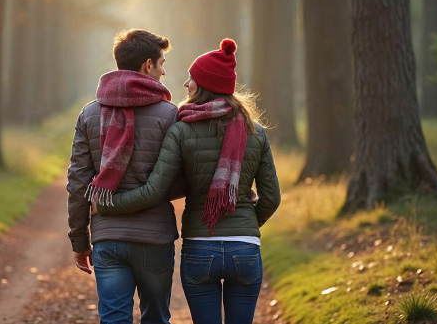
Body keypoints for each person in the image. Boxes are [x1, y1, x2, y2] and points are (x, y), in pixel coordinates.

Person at [95, 38, 281, 324]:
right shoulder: (255, 132)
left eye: (192, 79)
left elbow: (155, 189)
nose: (185, 84)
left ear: (204, 86)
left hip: (200, 248)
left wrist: (107, 205)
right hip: (245, 249)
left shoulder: (182, 130)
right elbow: (271, 198)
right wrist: (244, 224)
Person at [67, 29, 185, 324]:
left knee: (114, 320)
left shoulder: (89, 114)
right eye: (161, 62)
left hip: (108, 238)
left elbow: (78, 183)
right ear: (148, 65)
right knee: (156, 319)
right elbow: (180, 179)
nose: (164, 70)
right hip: (154, 238)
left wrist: (80, 240)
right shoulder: (170, 115)